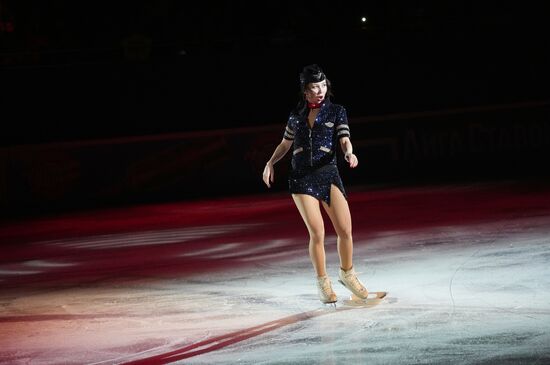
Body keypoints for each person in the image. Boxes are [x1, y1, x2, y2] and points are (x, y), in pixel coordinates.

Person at [262, 64, 368, 304]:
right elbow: (285, 144)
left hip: (329, 174)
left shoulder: (337, 111)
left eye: (322, 85)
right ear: (305, 91)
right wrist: (270, 162)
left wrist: (350, 153)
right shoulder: (295, 116)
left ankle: (347, 274)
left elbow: (344, 139)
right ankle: (322, 283)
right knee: (317, 232)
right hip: (301, 178)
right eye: (313, 87)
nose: (319, 91)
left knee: (345, 230)